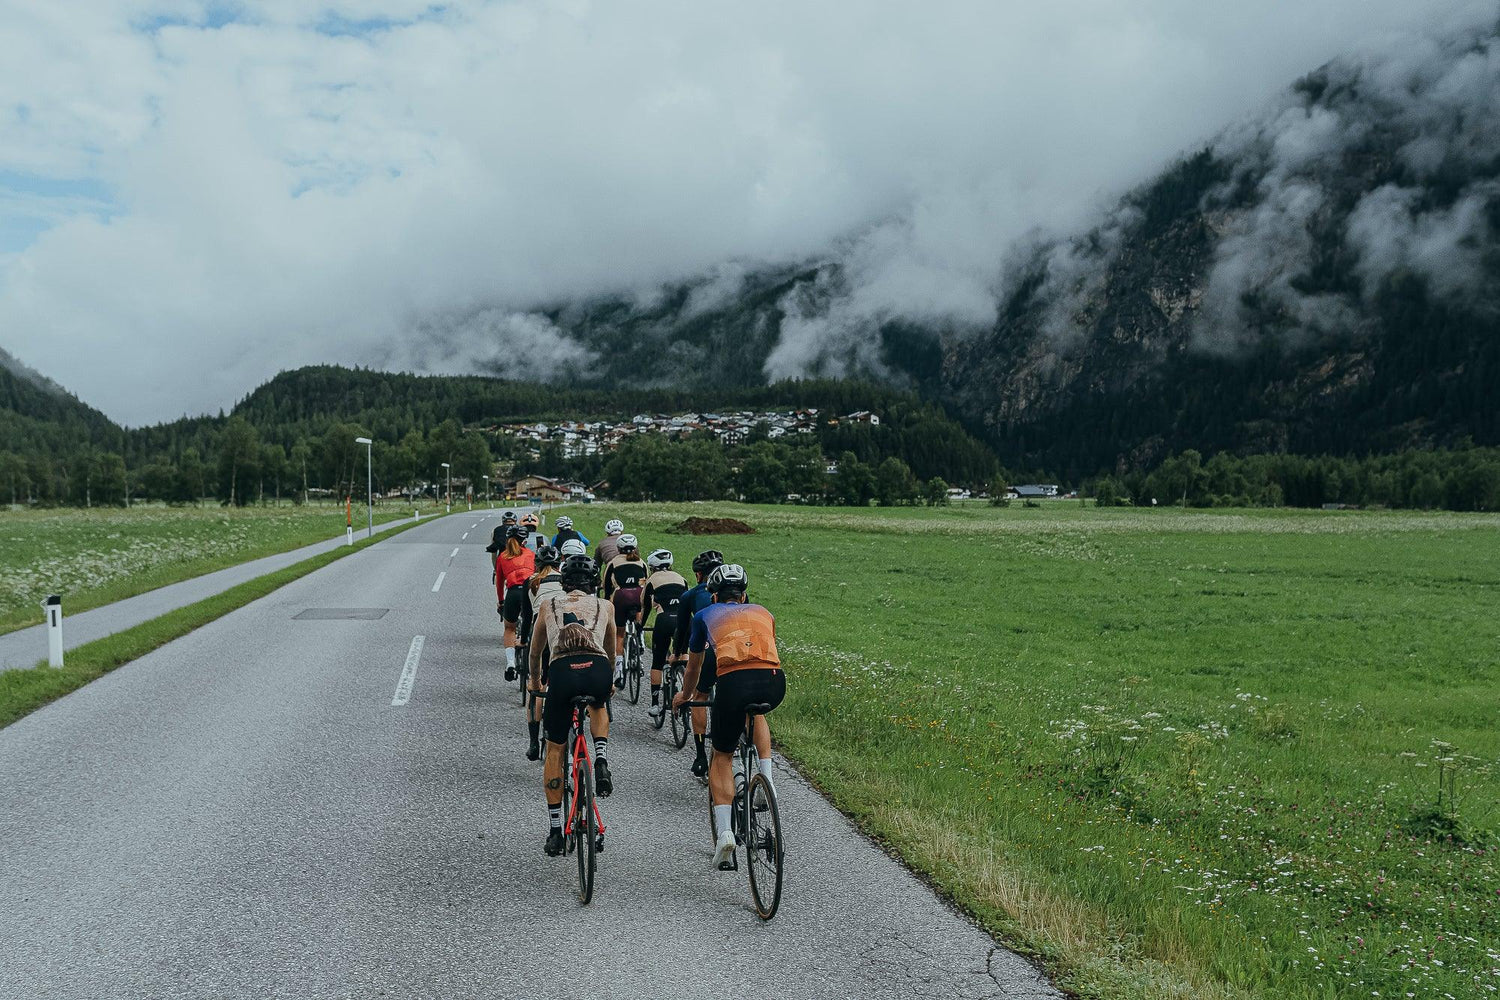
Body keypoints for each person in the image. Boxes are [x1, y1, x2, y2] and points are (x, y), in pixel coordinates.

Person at [674, 563, 784, 869]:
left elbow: (694, 668)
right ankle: (768, 781)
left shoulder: (704, 615)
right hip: (774, 681)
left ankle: (724, 833)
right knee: (757, 712)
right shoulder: (764, 611)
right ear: (745, 594)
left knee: (721, 755)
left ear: (713, 596)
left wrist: (684, 696)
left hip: (734, 682)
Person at [529, 555, 617, 856]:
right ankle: (601, 757)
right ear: (594, 583)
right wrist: (610, 681)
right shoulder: (606, 606)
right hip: (597, 670)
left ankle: (555, 830)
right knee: (599, 704)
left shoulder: (549, 605)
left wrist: (537, 682)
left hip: (563, 672)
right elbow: (611, 650)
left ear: (563, 583)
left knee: (555, 747)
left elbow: (535, 651)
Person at [674, 549, 723, 777]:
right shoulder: (737, 593)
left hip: (706, 650)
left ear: (698, 575)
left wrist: (677, 654)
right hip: (733, 650)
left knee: (700, 696)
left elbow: (682, 630)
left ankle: (701, 755)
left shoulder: (691, 595)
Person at [523, 544, 565, 760]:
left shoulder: (532, 581)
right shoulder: (565, 580)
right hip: (562, 635)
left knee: (536, 686)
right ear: (559, 563)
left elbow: (527, 615)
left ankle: (533, 742)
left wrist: (523, 639)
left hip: (540, 635)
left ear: (537, 564)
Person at [641, 549, 687, 722]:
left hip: (664, 619)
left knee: (657, 662)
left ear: (652, 567)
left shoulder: (652, 579)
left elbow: (644, 605)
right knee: (683, 655)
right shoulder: (681, 578)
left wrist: (640, 626)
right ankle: (686, 692)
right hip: (683, 622)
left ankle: (654, 704)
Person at [602, 533, 648, 688]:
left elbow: (606, 586)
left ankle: (619, 671)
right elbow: (646, 582)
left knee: (619, 634)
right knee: (639, 612)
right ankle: (640, 637)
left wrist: (608, 600)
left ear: (618, 548)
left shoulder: (613, 562)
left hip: (621, 596)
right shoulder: (641, 562)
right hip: (638, 595)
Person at [494, 526, 535, 680]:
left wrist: (501, 601)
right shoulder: (531, 554)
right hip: (529, 591)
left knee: (509, 628)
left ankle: (510, 662)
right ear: (524, 540)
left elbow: (499, 582)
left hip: (512, 593)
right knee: (531, 622)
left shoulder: (503, 556)